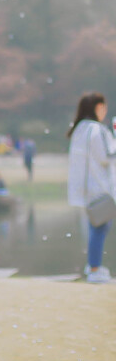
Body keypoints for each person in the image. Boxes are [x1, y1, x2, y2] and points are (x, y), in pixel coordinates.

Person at [66, 91, 115, 283]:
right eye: (104, 107)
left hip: (84, 188)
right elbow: (107, 156)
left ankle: (93, 266)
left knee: (95, 225)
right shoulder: (97, 130)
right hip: (100, 187)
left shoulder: (79, 129)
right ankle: (94, 268)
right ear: (98, 107)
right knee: (100, 227)